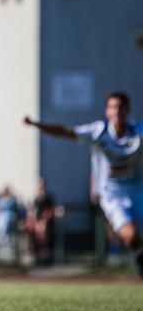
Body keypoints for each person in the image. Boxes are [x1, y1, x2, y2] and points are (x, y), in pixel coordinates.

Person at [24, 91, 143, 277]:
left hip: (138, 190)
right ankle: (139, 255)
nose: (117, 111)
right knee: (132, 237)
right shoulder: (99, 132)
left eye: (121, 107)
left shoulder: (139, 133)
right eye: (113, 107)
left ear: (128, 110)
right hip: (113, 194)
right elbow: (65, 131)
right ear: (107, 111)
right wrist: (35, 124)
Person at [22, 178, 56, 265]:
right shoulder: (36, 199)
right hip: (37, 221)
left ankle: (44, 251)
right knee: (26, 228)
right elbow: (34, 211)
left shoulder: (48, 198)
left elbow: (51, 211)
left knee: (41, 229)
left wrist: (43, 219)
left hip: (45, 222)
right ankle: (32, 249)